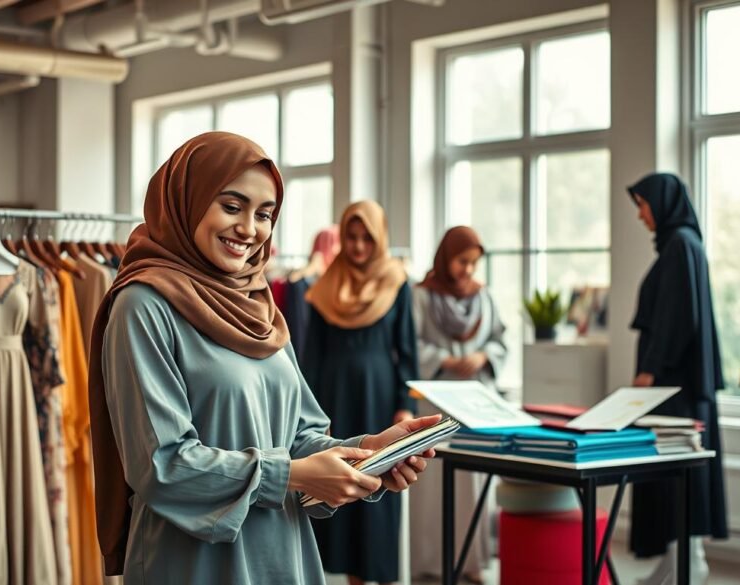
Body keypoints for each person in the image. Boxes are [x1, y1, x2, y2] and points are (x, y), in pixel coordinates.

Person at [87, 132, 439, 584]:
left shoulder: (258, 305)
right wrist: (291, 476)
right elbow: (162, 466)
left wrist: (365, 452)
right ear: (186, 201)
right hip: (194, 563)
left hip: (283, 554)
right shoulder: (144, 305)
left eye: (264, 214)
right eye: (231, 207)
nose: (250, 229)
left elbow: (299, 436)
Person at [302, 200, 419, 585]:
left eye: (365, 238)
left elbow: (407, 350)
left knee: (380, 485)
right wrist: (311, 415)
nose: (356, 247)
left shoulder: (396, 281)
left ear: (378, 238)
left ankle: (381, 574)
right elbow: (311, 357)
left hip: (379, 399)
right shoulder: (325, 286)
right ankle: (352, 576)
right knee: (341, 478)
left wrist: (404, 405)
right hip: (333, 398)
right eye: (350, 237)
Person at [626, 173, 728, 585]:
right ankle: (674, 560)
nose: (640, 214)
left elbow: (675, 319)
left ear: (663, 202)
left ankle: (688, 562)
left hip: (675, 388)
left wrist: (650, 369)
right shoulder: (678, 245)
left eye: (643, 204)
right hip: (675, 385)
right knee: (670, 478)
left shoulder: (681, 244)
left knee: (677, 474)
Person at [407, 226, 507, 582]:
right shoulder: (420, 296)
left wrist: (482, 356)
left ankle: (472, 562)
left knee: (475, 483)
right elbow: (409, 345)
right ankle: (432, 563)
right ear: (445, 257)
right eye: (462, 261)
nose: (467, 270)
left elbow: (500, 342)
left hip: (476, 406)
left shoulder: (485, 298)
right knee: (433, 484)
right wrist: (444, 360)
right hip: (435, 405)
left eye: (473, 263)